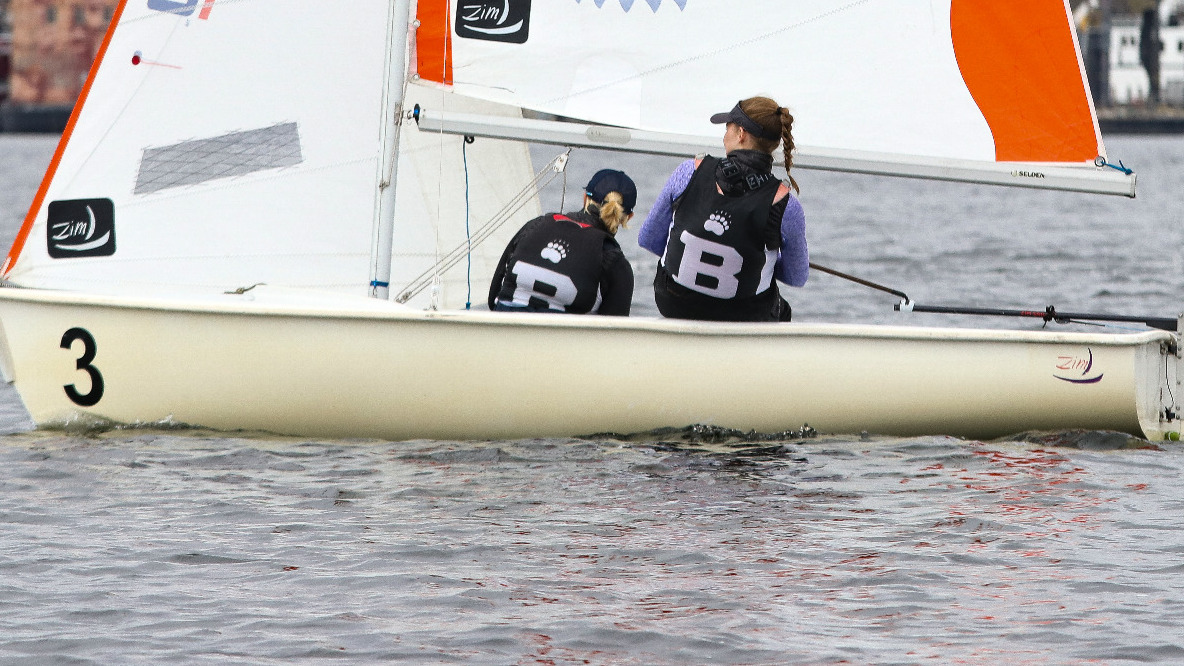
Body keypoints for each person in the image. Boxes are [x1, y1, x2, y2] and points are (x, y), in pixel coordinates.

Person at [637, 97, 808, 322]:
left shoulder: (689, 171)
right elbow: (796, 277)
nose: (724, 133)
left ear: (741, 133)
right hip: (744, 316)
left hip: (673, 304)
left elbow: (649, 239)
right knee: (782, 310)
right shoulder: (785, 203)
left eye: (728, 126)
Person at [489, 169, 636, 315]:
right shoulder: (614, 260)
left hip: (505, 331)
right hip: (559, 336)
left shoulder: (535, 225)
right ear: (628, 216)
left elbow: (492, 298)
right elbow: (614, 331)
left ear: (585, 198)